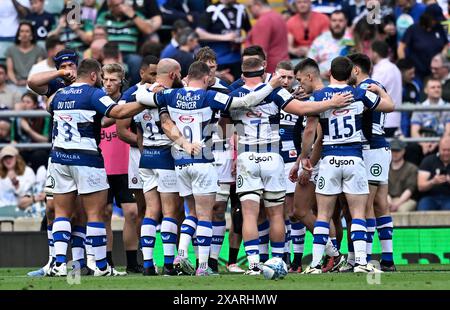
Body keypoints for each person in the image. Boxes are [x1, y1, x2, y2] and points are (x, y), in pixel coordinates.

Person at [135, 61, 287, 276]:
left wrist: (152, 88)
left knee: (191, 212)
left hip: (180, 161)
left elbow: (140, 97)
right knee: (205, 215)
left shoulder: (170, 95)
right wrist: (271, 85)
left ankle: (181, 252)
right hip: (203, 159)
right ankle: (203, 267)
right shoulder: (209, 96)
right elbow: (245, 101)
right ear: (206, 79)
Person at [225, 58, 354, 275]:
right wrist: (331, 103)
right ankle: (278, 261)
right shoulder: (276, 92)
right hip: (272, 157)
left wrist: (233, 147)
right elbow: (303, 109)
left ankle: (254, 265)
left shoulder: (233, 95)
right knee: (277, 214)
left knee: (250, 214)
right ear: (265, 71)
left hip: (247, 156)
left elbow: (225, 124)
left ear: (242, 74)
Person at [47, 58, 152, 277]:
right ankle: (102, 267)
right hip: (86, 159)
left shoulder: (59, 95)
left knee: (62, 213)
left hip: (59, 158)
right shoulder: (93, 93)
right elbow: (119, 113)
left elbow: (47, 105)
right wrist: (149, 101)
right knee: (95, 214)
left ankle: (58, 264)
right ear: (94, 76)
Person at [302, 56, 394, 274]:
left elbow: (309, 132)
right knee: (358, 213)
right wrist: (380, 92)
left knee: (323, 215)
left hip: (330, 159)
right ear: (352, 72)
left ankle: (315, 264)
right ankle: (361, 262)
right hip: (354, 158)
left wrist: (305, 156)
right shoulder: (359, 93)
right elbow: (390, 107)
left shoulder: (319, 96)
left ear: (329, 74)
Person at [134, 58, 189, 276]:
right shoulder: (171, 96)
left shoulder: (139, 93)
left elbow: (136, 129)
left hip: (147, 155)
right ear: (174, 75)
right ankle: (168, 264)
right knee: (170, 211)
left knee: (150, 211)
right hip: (166, 154)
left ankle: (148, 264)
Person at [289, 58, 344, 273]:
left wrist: (307, 163)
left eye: (300, 80)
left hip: (319, 162)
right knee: (316, 212)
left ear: (310, 76)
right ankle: (334, 255)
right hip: (326, 160)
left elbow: (317, 137)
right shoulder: (326, 97)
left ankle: (335, 255)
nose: (299, 85)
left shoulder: (320, 99)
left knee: (304, 210)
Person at [348, 52, 396, 272]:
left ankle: (364, 260)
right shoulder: (376, 85)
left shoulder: (364, 89)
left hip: (371, 148)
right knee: (380, 204)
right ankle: (387, 258)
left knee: (366, 205)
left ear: (356, 70)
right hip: (380, 148)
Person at [116, 55, 159, 248]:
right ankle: (144, 255)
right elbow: (122, 131)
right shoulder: (130, 96)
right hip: (138, 156)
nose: (156, 77)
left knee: (171, 209)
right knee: (142, 208)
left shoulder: (164, 91)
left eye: (159, 73)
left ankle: (171, 257)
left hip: (164, 155)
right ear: (142, 73)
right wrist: (145, 143)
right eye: (152, 74)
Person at [99, 63, 138, 276]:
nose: (108, 83)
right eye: (105, 79)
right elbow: (103, 122)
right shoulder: (97, 100)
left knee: (132, 213)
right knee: (104, 214)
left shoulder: (129, 100)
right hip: (103, 166)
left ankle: (132, 262)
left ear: (121, 80)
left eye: (112, 80)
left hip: (126, 166)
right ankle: (108, 263)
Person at [96, 0, 161, 85]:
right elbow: (97, 33)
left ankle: (134, 89)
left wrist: (132, 15)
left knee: (136, 61)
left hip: (129, 54)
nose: (122, 7)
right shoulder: (104, 16)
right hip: (109, 52)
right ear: (110, 7)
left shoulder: (136, 15)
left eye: (122, 3)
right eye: (117, 5)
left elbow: (148, 29)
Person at [195, 0, 252, 80]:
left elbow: (250, 32)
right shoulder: (212, 9)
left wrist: (244, 39)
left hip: (237, 60)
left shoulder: (241, 9)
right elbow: (199, 33)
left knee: (238, 88)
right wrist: (224, 37)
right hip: (218, 61)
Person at [398, 4, 448, 82]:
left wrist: (442, 56)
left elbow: (446, 44)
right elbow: (401, 47)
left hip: (435, 72)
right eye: (434, 19)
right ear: (428, 18)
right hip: (416, 73)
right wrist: (405, 66)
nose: (436, 22)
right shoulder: (413, 29)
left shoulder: (439, 28)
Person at [245, 0, 289, 74]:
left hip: (271, 71)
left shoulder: (263, 21)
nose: (249, 11)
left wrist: (254, 75)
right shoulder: (278, 16)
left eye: (249, 7)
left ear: (257, 4)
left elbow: (259, 53)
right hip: (283, 67)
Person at [371, 41, 402, 137]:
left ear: (375, 53)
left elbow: (371, 90)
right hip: (394, 119)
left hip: (384, 120)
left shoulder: (381, 69)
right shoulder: (394, 67)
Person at [307, 10, 351, 77]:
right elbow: (309, 61)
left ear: (346, 22)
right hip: (321, 79)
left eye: (340, 21)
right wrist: (319, 74)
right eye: (334, 20)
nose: (337, 24)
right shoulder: (321, 39)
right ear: (330, 22)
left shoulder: (352, 40)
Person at [5, 21, 46, 89]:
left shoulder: (39, 50)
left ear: (31, 34)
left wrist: (28, 82)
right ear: (18, 34)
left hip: (33, 84)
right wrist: (16, 82)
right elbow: (10, 71)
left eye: (27, 31)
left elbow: (39, 70)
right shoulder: (11, 50)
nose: (24, 34)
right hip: (14, 84)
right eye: (22, 31)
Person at [0, 145, 38, 217]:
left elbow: (29, 194)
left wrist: (16, 184)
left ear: (17, 158)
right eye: (5, 158)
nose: (8, 160)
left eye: (10, 157)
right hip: (2, 208)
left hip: (23, 208)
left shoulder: (28, 171)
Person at [417, 136, 450, 211]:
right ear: (439, 148)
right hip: (430, 197)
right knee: (423, 208)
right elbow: (420, 187)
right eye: (444, 150)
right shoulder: (428, 161)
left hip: (448, 197)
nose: (446, 153)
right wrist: (433, 182)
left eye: (449, 150)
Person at [388, 139, 418, 212]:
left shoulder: (411, 168)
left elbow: (410, 189)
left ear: (403, 151)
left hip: (406, 200)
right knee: (381, 208)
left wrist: (397, 204)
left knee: (402, 210)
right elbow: (383, 189)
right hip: (388, 199)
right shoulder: (385, 168)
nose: (394, 153)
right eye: (392, 150)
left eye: (397, 150)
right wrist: (389, 203)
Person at [396, 58, 420, 137]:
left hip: (412, 121)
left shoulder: (414, 86)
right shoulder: (393, 86)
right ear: (401, 72)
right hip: (396, 121)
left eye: (414, 73)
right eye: (410, 73)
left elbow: (418, 104)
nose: (413, 76)